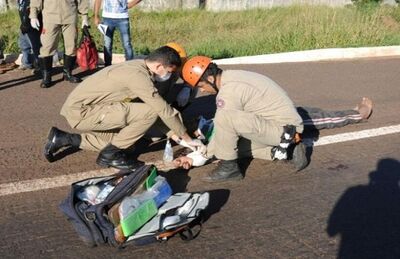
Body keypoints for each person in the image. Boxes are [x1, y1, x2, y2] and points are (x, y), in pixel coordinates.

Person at [172, 56, 373, 183]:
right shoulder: (231, 77)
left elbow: (224, 123)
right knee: (231, 144)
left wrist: (201, 155)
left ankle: (229, 169)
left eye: (200, 86)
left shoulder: (228, 93)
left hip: (284, 128)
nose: (202, 91)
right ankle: (287, 151)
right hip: (275, 127)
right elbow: (225, 135)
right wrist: (194, 157)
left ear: (207, 78)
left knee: (225, 122)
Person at [43, 46, 204, 170]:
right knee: (146, 116)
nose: (169, 76)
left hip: (92, 110)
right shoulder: (138, 77)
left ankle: (63, 138)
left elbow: (152, 109)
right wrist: (188, 138)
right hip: (83, 112)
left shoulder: (138, 67)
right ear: (160, 66)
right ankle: (110, 155)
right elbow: (161, 110)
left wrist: (176, 137)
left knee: (128, 145)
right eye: (169, 71)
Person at [29, 0, 89, 88]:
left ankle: (67, 73)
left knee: (71, 46)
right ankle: (47, 77)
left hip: (70, 16)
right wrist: (33, 16)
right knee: (47, 47)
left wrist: (85, 17)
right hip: (50, 16)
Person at [94, 0, 142, 67]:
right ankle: (107, 66)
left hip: (123, 18)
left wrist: (131, 4)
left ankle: (130, 66)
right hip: (107, 18)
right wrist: (96, 16)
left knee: (127, 44)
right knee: (107, 44)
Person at [17, 0, 41, 74]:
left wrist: (26, 24)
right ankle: (26, 63)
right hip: (24, 25)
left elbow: (33, 11)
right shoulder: (20, 1)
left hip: (32, 26)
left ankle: (39, 66)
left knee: (35, 47)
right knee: (23, 45)